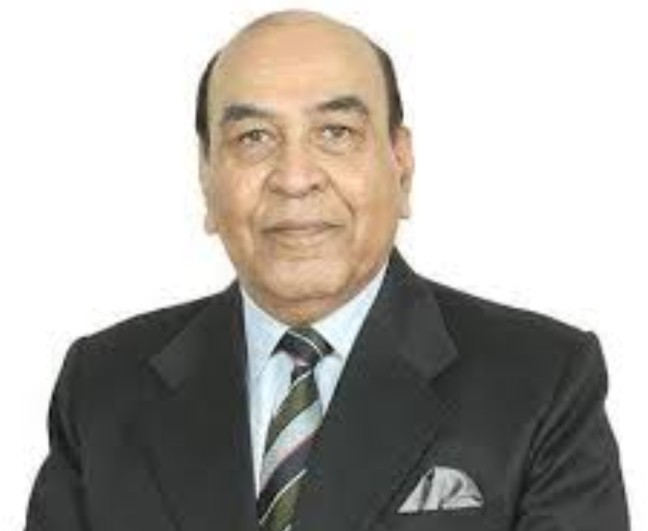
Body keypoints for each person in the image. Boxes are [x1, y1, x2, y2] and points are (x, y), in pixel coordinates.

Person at [24, 9, 629, 531]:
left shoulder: (543, 381)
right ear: (206, 178)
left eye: (336, 133)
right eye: (254, 137)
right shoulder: (102, 386)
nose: (295, 178)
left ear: (401, 166)